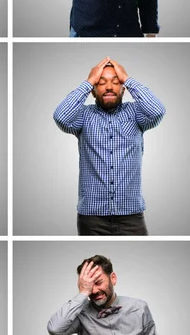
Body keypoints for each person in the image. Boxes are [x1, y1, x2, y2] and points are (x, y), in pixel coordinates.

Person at [53, 57, 165, 235]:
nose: (109, 87)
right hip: (92, 218)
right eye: (101, 82)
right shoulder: (83, 116)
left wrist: (128, 79)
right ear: (93, 91)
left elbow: (157, 111)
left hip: (132, 216)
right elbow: (61, 116)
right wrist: (89, 80)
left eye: (116, 81)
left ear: (123, 88)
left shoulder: (136, 114)